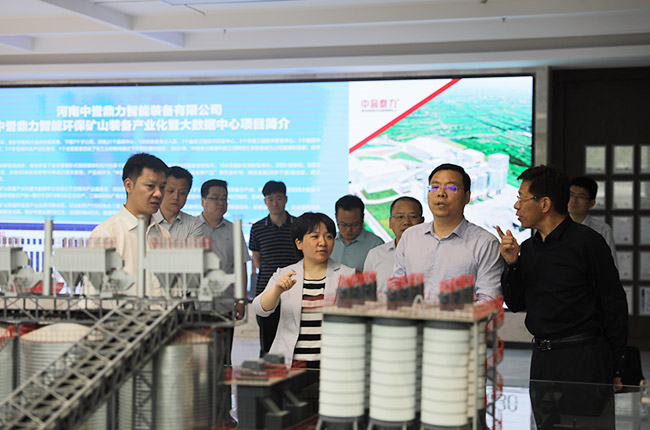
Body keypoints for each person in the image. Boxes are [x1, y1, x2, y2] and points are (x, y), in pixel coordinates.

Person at [497, 165, 627, 429]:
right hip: (543, 358)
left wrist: (617, 366)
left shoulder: (588, 242)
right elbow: (516, 303)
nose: (516, 206)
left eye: (521, 198)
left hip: (584, 357)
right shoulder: (529, 248)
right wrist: (512, 265)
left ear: (545, 204)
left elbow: (614, 304)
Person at [252, 212, 356, 369]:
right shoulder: (284, 274)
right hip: (291, 363)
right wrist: (277, 291)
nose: (323, 242)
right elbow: (260, 309)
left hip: (333, 364)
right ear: (299, 243)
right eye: (315, 236)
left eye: (328, 237)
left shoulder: (349, 275)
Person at [394, 163, 503, 303]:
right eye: (435, 187)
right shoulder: (410, 236)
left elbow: (489, 301)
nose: (441, 193)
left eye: (451, 188)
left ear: (467, 196)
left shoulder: (485, 243)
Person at [90, 153, 170, 296]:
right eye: (150, 186)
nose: (158, 194)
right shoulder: (106, 234)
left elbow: (173, 290)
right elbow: (93, 298)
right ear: (129, 186)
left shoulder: (164, 234)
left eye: (162, 187)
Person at [249, 181, 299, 357]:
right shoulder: (257, 228)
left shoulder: (298, 225)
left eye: (278, 198)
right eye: (270, 199)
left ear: (286, 199)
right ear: (265, 201)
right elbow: (257, 260)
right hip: (267, 290)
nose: (275, 203)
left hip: (294, 289)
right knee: (268, 342)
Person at [198, 179, 251, 321]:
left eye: (224, 199)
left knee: (224, 336)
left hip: (224, 305)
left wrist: (241, 300)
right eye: (215, 198)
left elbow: (241, 267)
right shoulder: (191, 228)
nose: (221, 203)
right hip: (195, 306)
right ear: (203, 201)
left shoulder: (234, 230)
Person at [363, 196, 424, 301]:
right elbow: (366, 296)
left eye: (413, 217)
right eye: (400, 217)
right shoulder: (375, 255)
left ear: (422, 221)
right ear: (390, 222)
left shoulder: (433, 252)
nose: (406, 222)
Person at [569, 176, 618, 267]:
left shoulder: (603, 230)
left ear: (592, 203)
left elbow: (611, 266)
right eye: (571, 195)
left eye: (581, 196)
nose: (574, 200)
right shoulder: (557, 226)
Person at [330, 194, 384, 272]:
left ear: (362, 218)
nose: (348, 230)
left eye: (354, 225)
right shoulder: (328, 242)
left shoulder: (376, 245)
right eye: (343, 224)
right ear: (336, 218)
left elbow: (382, 276)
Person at [153, 166, 205, 238]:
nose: (176, 197)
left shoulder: (195, 224)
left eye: (182, 193)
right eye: (171, 191)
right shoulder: (146, 220)